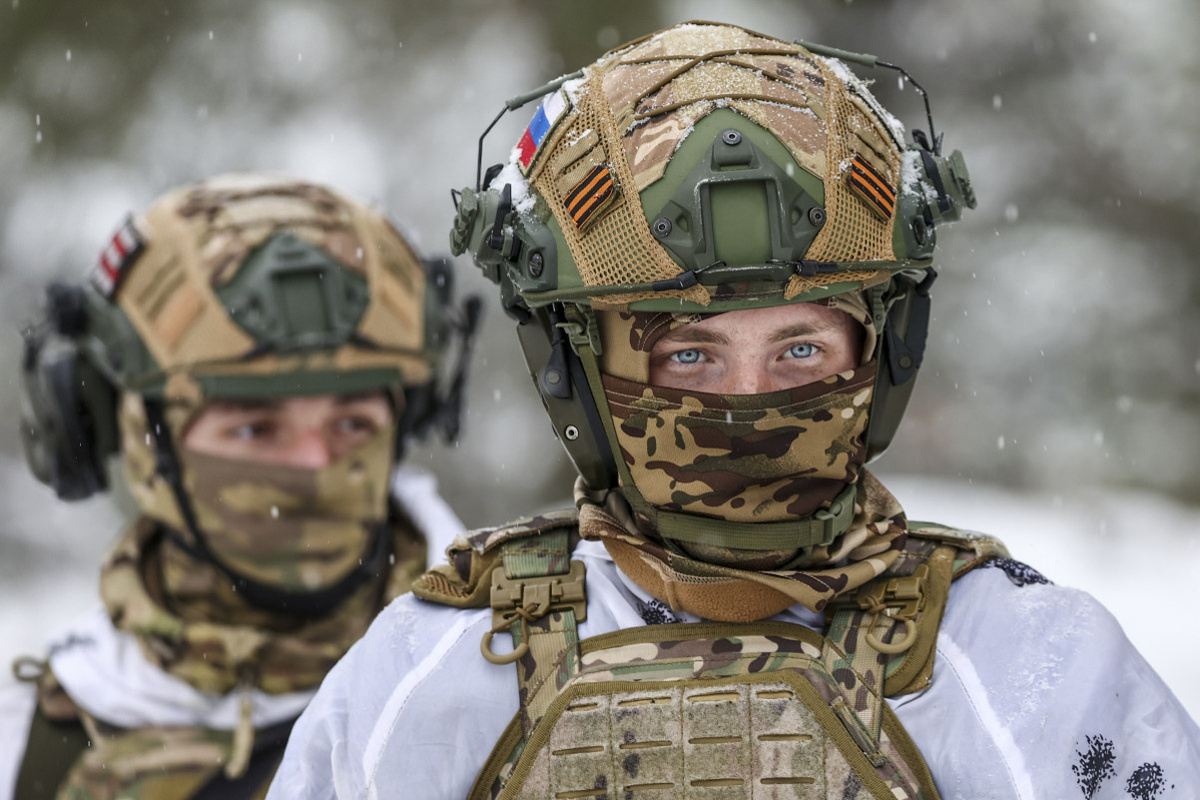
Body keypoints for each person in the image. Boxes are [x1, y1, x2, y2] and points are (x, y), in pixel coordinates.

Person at [268, 22, 1200, 799]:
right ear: (576, 374)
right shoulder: (431, 680)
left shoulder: (1033, 669)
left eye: (801, 351)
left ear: (882, 357)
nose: (751, 403)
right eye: (689, 355)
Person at [0, 172, 478, 799]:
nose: (312, 464)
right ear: (140, 438)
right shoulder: (27, 744)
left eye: (352, 423)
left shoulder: (521, 687)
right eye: (255, 428)